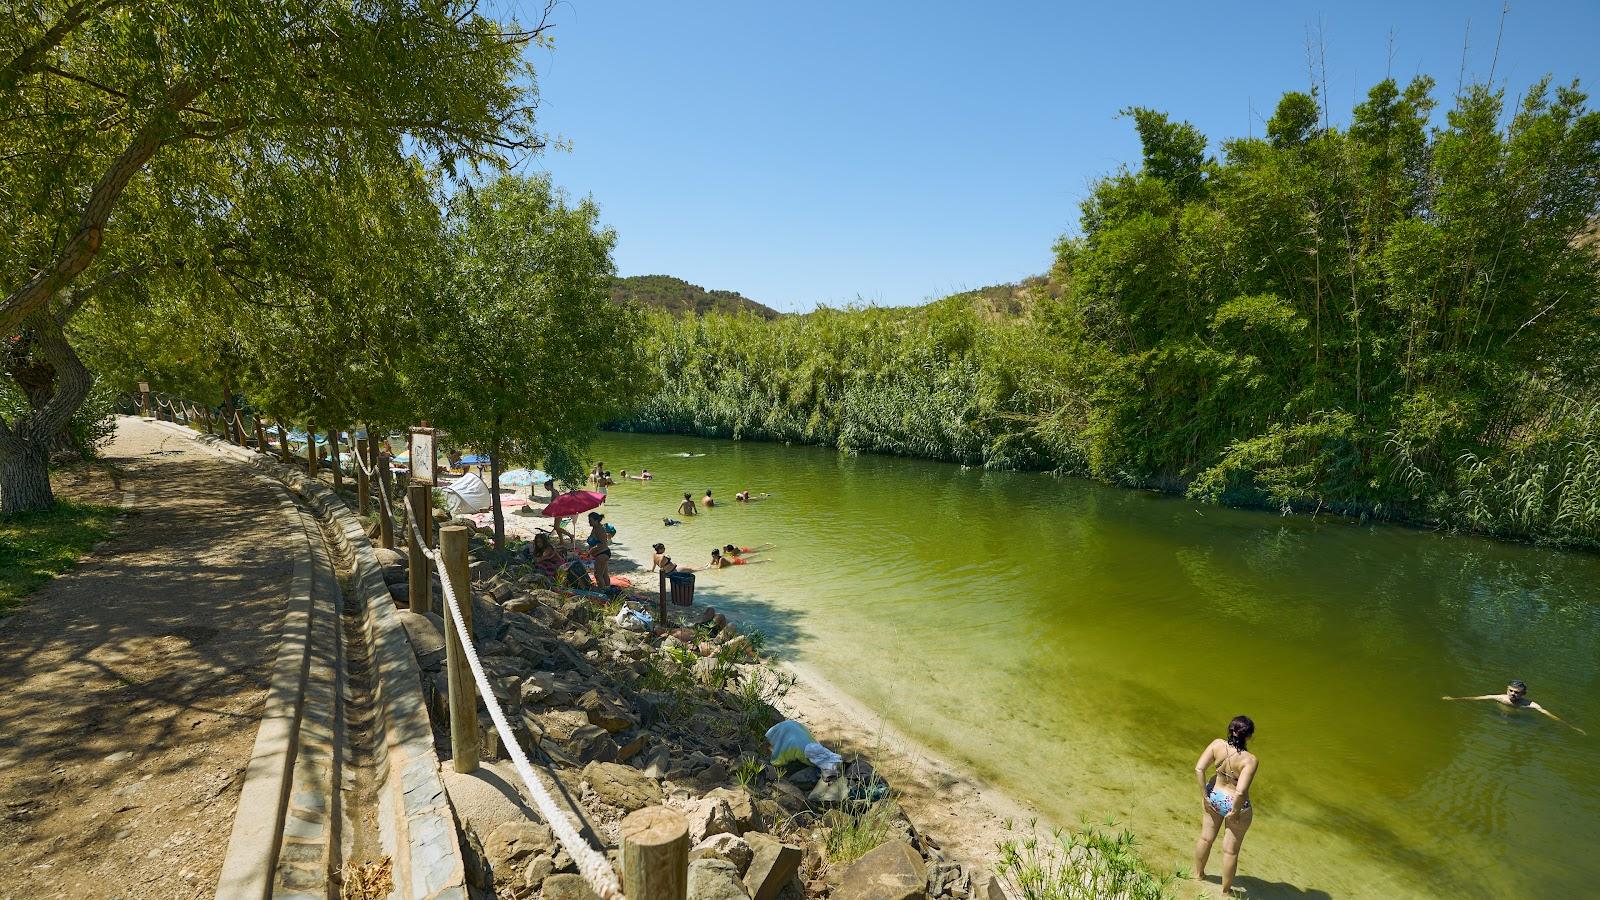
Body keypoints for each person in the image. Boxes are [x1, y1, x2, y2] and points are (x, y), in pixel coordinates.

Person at [1193, 715, 1257, 897]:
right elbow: (1240, 791)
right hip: (1234, 805)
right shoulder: (1250, 760)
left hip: (1214, 795)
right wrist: (1235, 811)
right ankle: (1225, 891)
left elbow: (1199, 769)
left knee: (1206, 839)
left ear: (1230, 730)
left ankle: (1198, 875)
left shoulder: (1217, 745)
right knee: (1230, 851)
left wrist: (1205, 795)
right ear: (1249, 736)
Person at [1443, 680, 1585, 733]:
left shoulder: (1530, 705)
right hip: (1498, 716)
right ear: (1507, 689)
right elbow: (1476, 698)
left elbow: (1549, 715)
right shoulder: (1499, 697)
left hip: (1518, 722)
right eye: (1510, 691)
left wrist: (1572, 727)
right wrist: (1454, 699)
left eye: (1517, 692)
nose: (1512, 694)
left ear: (1523, 694)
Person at [586, 511, 612, 590]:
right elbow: (594, 541)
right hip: (600, 554)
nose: (589, 522)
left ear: (596, 521)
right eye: (588, 520)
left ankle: (602, 592)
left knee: (598, 575)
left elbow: (603, 544)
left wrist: (591, 551)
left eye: (591, 520)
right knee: (604, 574)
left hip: (602, 554)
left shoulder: (600, 530)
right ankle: (608, 589)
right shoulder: (595, 528)